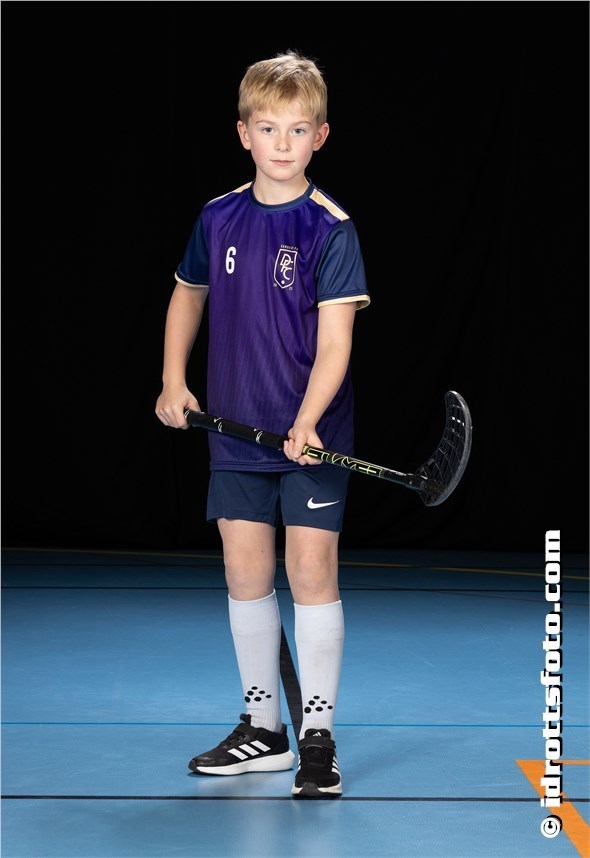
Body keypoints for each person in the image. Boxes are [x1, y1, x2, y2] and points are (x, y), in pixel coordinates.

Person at [155, 50, 370, 798]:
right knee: (245, 574)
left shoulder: (330, 228)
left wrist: (308, 420)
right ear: (244, 132)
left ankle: (317, 737)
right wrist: (173, 379)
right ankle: (265, 729)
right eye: (269, 128)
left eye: (298, 129)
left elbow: (336, 342)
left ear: (321, 136)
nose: (283, 143)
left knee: (310, 573)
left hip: (313, 439)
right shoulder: (218, 216)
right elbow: (188, 294)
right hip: (234, 432)